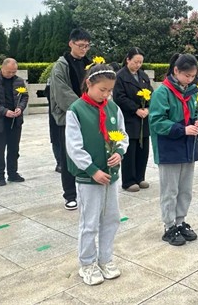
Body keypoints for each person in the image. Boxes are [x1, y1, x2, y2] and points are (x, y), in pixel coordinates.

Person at [65, 64, 128, 286]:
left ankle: (105, 259)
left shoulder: (113, 108)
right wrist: (93, 170)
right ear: (89, 84)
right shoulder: (76, 110)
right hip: (89, 178)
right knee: (89, 222)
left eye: (109, 90)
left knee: (111, 218)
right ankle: (87, 263)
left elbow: (122, 135)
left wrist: (119, 152)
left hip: (111, 176)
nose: (106, 94)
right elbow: (74, 147)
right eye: (102, 90)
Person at [149, 54, 198, 246]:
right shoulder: (162, 92)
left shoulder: (192, 92)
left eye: (193, 76)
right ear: (176, 71)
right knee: (170, 190)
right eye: (187, 75)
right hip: (170, 148)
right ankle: (169, 225)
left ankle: (180, 221)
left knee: (185, 189)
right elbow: (157, 121)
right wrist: (182, 129)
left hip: (189, 147)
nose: (190, 79)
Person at [49, 28, 92, 210]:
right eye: (81, 45)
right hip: (68, 116)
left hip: (90, 116)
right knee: (68, 157)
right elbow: (62, 92)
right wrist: (83, 108)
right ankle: (70, 194)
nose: (84, 49)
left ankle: (86, 189)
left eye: (87, 46)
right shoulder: (61, 66)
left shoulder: (90, 64)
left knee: (87, 152)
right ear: (71, 43)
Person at [113, 47, 153, 192]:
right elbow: (119, 97)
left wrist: (147, 108)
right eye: (135, 62)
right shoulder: (120, 76)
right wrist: (135, 109)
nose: (138, 65)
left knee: (143, 149)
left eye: (140, 62)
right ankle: (129, 180)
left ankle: (140, 177)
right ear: (128, 60)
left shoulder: (143, 75)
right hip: (129, 118)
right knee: (130, 150)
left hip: (143, 118)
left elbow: (151, 93)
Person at [0, 58, 28, 186]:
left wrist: (20, 108)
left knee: (14, 149)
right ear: (2, 68)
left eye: (14, 72)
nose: (11, 74)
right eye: (9, 72)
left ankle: (13, 173)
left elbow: (24, 97)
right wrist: (4, 111)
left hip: (15, 121)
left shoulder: (19, 81)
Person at [44, 77, 63, 173]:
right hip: (55, 112)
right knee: (56, 138)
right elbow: (48, 94)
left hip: (68, 112)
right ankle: (59, 162)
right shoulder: (52, 79)